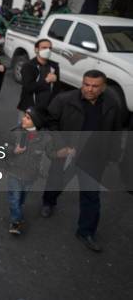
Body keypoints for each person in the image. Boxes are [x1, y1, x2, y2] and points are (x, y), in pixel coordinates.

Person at [40, 70, 122, 252]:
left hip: (94, 159)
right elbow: (50, 122)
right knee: (56, 181)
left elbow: (116, 132)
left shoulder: (111, 105)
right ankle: (48, 202)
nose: (89, 89)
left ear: (104, 87)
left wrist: (113, 155)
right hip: (67, 154)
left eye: (95, 86)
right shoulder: (64, 100)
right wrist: (60, 145)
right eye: (86, 84)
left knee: (91, 196)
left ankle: (86, 232)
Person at [6, 107, 53, 235]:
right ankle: (16, 221)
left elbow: (50, 154)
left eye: (27, 117)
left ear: (36, 122)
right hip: (14, 171)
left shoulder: (45, 138)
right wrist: (13, 151)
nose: (23, 119)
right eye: (24, 116)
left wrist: (63, 152)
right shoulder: (16, 131)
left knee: (21, 199)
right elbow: (4, 149)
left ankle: (17, 215)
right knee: (14, 199)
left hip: (30, 175)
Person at [16, 39, 60, 118]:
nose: (48, 50)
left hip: (46, 110)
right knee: (25, 130)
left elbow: (56, 89)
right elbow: (28, 87)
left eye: (50, 48)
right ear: (36, 50)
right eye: (44, 47)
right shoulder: (28, 66)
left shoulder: (54, 66)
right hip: (29, 109)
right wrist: (46, 80)